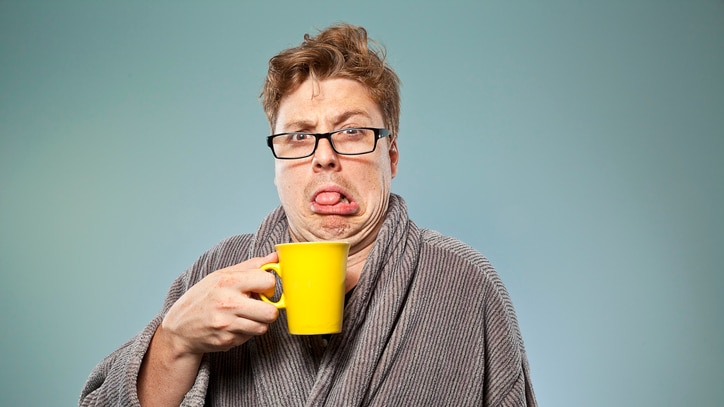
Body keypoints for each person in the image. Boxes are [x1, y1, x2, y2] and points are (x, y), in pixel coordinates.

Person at [80, 23, 536, 406]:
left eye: (352, 131)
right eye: (299, 138)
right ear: (276, 164)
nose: (324, 157)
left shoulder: (465, 285)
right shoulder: (215, 276)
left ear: (391, 156)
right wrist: (174, 343)